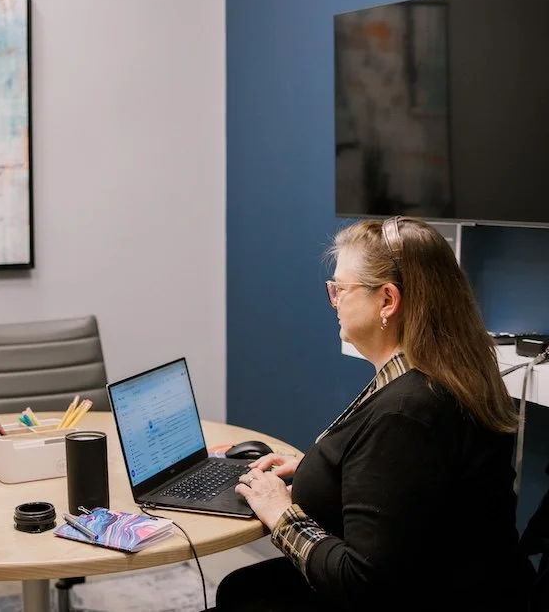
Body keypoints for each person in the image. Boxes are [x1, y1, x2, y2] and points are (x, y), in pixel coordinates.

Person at [213, 217, 532, 612]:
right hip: (464, 587)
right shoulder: (451, 376)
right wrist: (332, 471)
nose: (334, 301)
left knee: (242, 592)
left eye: (340, 289)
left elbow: (362, 582)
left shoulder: (407, 413)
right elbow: (408, 489)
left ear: (387, 301)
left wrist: (280, 513)